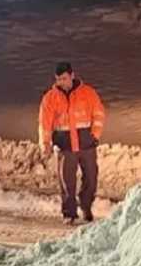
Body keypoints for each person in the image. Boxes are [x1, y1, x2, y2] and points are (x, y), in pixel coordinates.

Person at [37, 62, 106, 225]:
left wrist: (94, 135)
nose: (62, 82)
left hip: (86, 144)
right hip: (65, 146)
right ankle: (69, 213)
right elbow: (44, 124)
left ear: (72, 75)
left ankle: (86, 206)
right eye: (58, 79)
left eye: (64, 78)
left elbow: (99, 114)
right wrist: (45, 144)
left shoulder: (88, 93)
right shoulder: (50, 98)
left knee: (91, 178)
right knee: (67, 182)